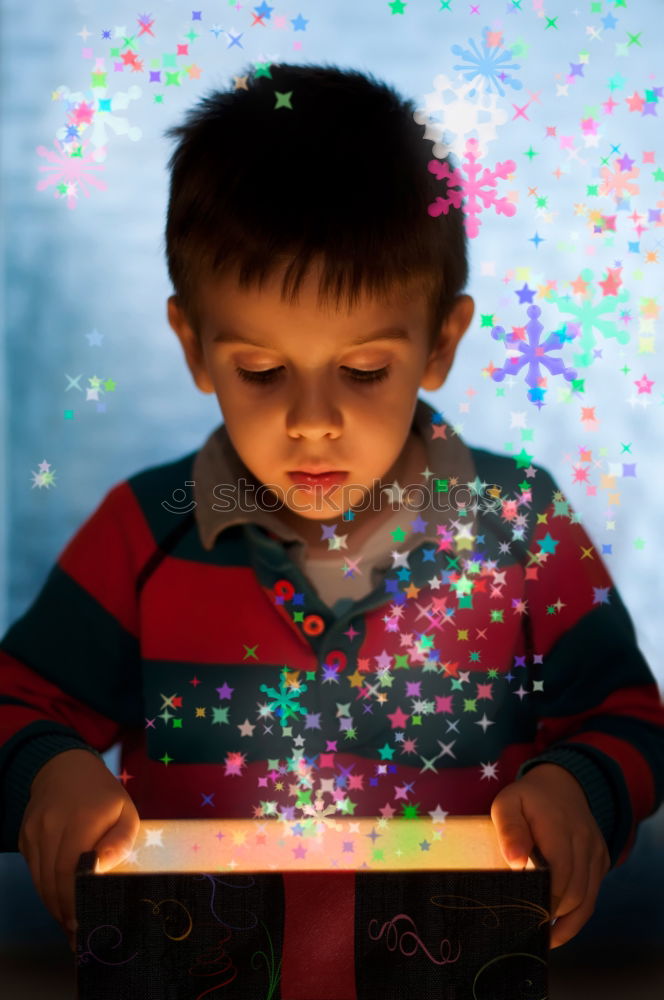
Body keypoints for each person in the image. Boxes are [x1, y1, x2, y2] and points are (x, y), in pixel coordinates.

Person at [1, 62, 663, 970]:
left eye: (362, 372)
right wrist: (49, 771)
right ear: (195, 345)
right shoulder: (142, 532)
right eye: (263, 373)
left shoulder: (520, 526)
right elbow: (14, 703)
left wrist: (581, 789)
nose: (314, 421)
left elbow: (627, 719)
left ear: (439, 344)